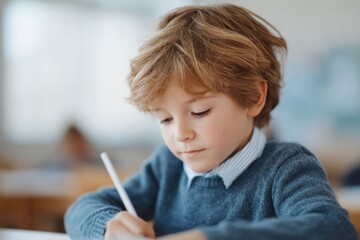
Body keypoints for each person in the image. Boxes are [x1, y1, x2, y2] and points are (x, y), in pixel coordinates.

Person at [64, 4, 357, 240]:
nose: (180, 134)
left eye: (200, 112)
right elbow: (81, 210)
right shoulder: (167, 167)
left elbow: (333, 229)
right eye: (164, 119)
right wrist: (108, 227)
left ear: (253, 97)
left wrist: (209, 236)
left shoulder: (286, 167)